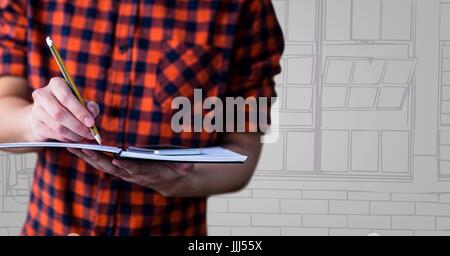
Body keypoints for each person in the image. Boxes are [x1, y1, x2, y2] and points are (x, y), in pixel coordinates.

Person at [0, 0, 284, 235]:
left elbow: (241, 152)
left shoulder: (244, 7)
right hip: (51, 226)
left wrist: (178, 181)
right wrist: (37, 120)